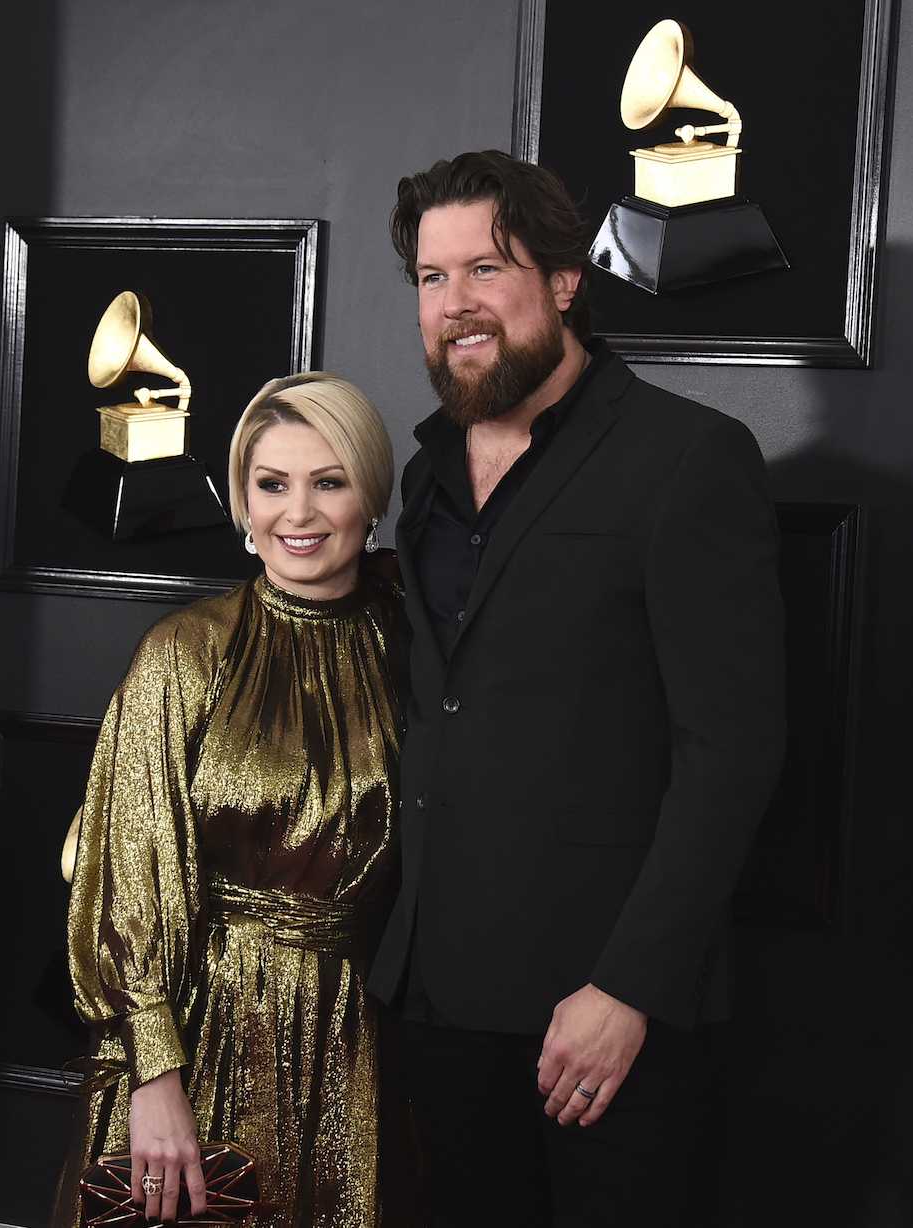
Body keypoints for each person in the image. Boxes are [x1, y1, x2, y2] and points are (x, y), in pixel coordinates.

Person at [368, 149, 787, 1225]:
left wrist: (630, 986)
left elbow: (729, 750)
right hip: (438, 991)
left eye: (485, 269)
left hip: (604, 1003)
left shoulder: (690, 457)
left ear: (563, 280)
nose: (455, 305)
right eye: (431, 277)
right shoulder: (421, 477)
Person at [52, 373, 422, 1228]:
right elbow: (130, 879)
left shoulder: (416, 649)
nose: (299, 513)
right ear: (244, 509)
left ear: (372, 498)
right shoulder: (184, 654)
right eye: (272, 485)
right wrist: (153, 1075)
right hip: (202, 1028)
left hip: (364, 1039)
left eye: (329, 482)